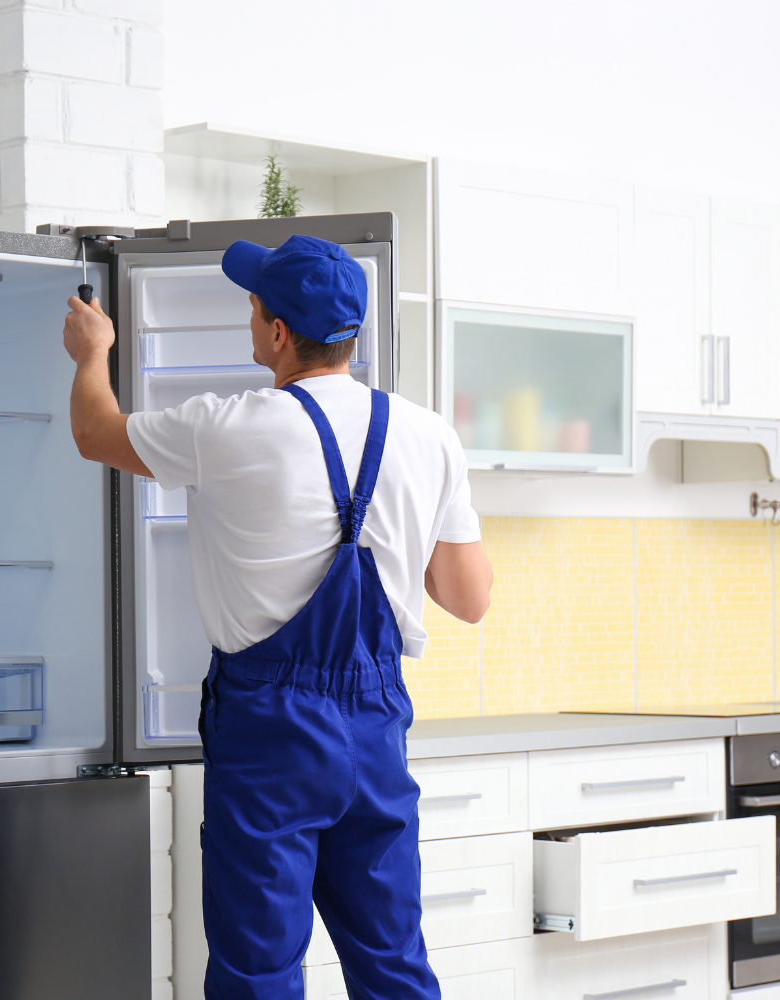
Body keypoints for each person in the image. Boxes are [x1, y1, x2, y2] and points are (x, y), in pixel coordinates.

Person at [62, 234, 493, 1000]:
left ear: (278, 334)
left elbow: (97, 432)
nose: (250, 314)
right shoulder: (430, 437)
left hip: (269, 730)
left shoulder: (227, 426)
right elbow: (468, 597)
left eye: (253, 303)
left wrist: (92, 352)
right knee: (392, 965)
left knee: (258, 972)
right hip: (375, 725)